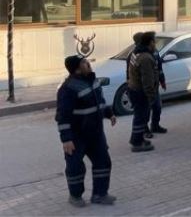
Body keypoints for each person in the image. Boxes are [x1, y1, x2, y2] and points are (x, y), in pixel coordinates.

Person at [56, 55, 117, 207]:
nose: (88, 63)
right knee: (75, 167)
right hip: (77, 136)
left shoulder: (93, 80)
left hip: (96, 134)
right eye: (84, 62)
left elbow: (100, 102)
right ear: (77, 68)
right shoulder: (68, 88)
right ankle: (75, 196)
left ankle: (100, 194)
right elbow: (62, 116)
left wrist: (109, 114)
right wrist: (66, 139)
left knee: (103, 162)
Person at [127, 32, 168, 139]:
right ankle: (142, 133)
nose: (155, 43)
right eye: (154, 41)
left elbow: (159, 68)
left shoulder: (154, 53)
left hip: (151, 88)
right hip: (144, 90)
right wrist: (149, 95)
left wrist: (162, 81)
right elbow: (134, 74)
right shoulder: (139, 55)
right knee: (143, 113)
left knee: (157, 107)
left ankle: (155, 125)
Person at [127, 31, 158, 152]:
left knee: (140, 116)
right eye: (154, 41)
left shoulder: (137, 52)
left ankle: (138, 139)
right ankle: (137, 143)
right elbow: (147, 80)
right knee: (141, 117)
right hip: (140, 92)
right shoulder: (146, 58)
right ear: (150, 42)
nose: (155, 44)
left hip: (134, 89)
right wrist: (151, 96)